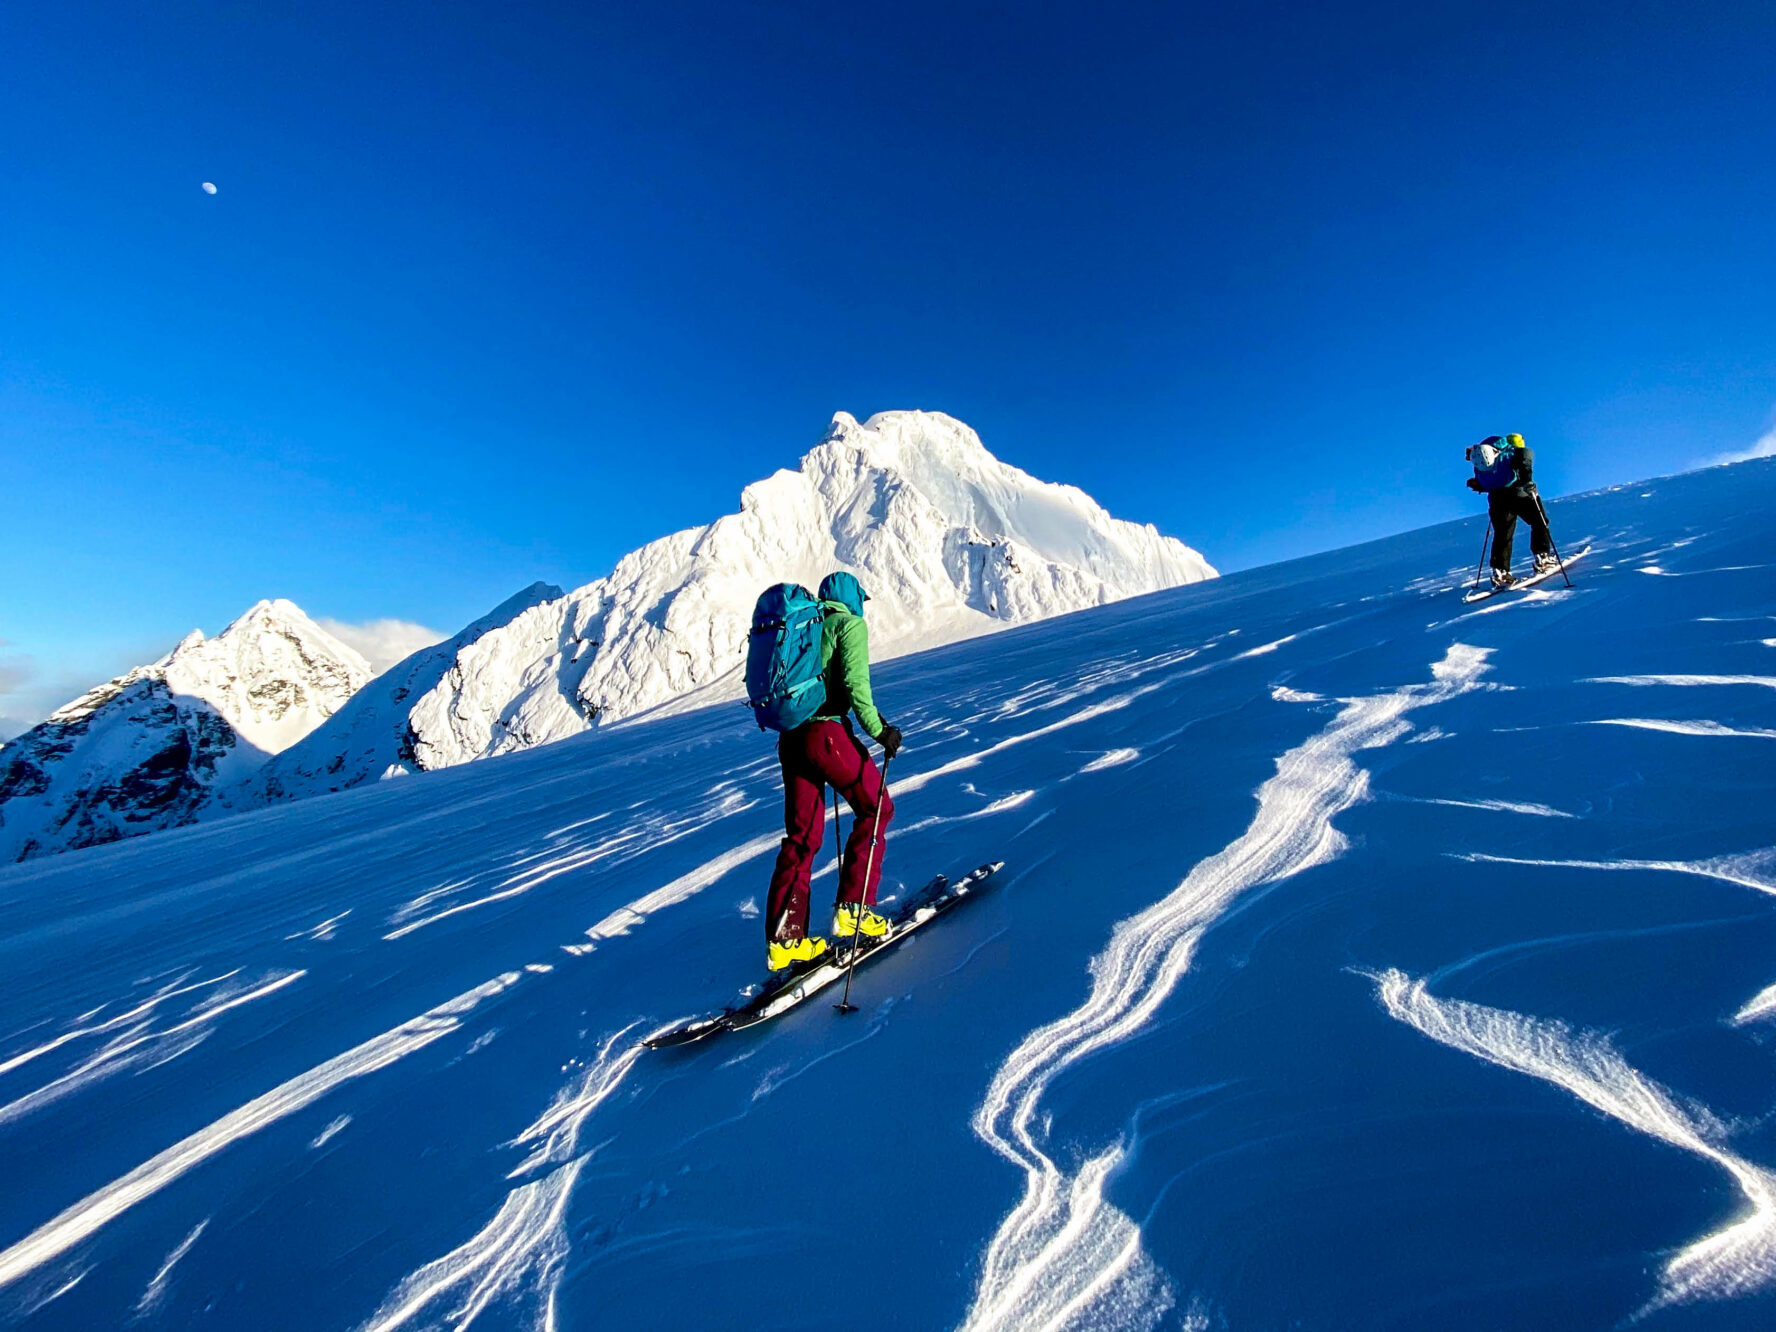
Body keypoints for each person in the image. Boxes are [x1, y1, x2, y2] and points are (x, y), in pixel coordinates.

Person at [762, 571, 904, 972]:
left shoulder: (808, 626)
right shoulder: (849, 623)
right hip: (827, 735)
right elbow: (857, 687)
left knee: (802, 838)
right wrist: (882, 732)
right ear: (854, 598)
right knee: (877, 808)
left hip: (791, 739)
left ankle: (785, 941)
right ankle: (855, 910)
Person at [1467, 432, 1558, 589]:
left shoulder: (1484, 457)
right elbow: (1525, 463)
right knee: (1539, 522)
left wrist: (1482, 486)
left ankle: (1500, 571)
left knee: (1503, 534)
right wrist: (1528, 481)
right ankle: (1543, 556)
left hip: (1497, 499)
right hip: (1519, 494)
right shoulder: (1514, 452)